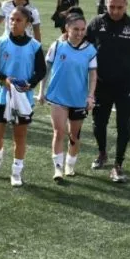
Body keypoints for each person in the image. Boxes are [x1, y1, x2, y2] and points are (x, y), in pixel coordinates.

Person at [85, 0, 130, 183]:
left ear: (126, 5)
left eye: (119, 7)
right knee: (99, 124)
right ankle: (102, 153)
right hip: (101, 85)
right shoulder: (96, 24)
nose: (115, 11)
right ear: (106, 4)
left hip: (125, 85)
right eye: (112, 7)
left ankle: (118, 165)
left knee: (124, 126)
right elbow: (83, 50)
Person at [0, 7, 46, 187]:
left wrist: (30, 83)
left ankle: (16, 171)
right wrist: (2, 79)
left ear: (27, 24)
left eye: (18, 20)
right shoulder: (1, 42)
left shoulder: (35, 46)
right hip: (1, 96)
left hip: (22, 99)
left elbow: (41, 70)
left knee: (19, 137)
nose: (13, 23)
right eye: (11, 19)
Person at [38, 12, 96, 181]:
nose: (80, 33)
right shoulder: (57, 46)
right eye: (76, 29)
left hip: (78, 99)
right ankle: (58, 169)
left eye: (83, 29)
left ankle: (70, 164)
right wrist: (41, 91)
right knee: (59, 132)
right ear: (67, 28)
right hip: (58, 97)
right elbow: (46, 69)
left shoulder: (90, 50)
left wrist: (90, 96)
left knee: (74, 135)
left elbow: (93, 76)